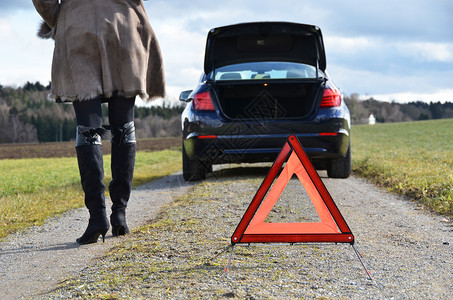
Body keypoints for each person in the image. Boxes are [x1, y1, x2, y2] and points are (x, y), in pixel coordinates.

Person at [32, 0, 165, 244]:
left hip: (78, 28)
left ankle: (97, 218)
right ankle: (120, 214)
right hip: (124, 26)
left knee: (88, 129)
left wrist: (60, 19)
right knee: (124, 127)